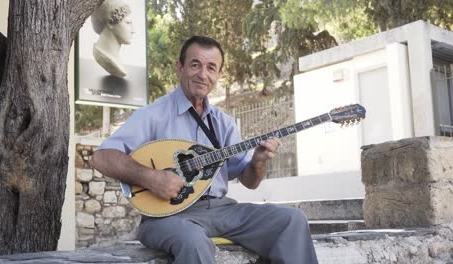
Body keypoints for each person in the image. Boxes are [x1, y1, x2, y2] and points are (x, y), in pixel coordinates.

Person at [90, 36, 318, 263]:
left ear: (218, 75)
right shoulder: (153, 115)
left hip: (222, 210)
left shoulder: (224, 123)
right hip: (167, 218)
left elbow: (250, 182)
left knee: (292, 220)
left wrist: (258, 161)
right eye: (195, 64)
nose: (203, 74)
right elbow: (101, 158)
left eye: (211, 68)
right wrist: (151, 177)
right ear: (180, 67)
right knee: (194, 241)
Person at [91, 0, 134, 78]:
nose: (133, 31)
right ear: (110, 23)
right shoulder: (103, 57)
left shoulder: (118, 61)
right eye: (128, 23)